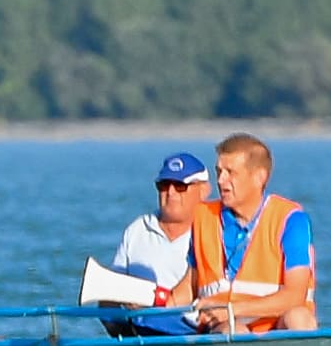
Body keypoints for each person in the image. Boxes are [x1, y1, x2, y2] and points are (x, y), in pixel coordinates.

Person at [166, 132, 315, 333]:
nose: (221, 180)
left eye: (230, 172)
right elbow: (189, 285)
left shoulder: (291, 220)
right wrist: (150, 303)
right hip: (225, 329)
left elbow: (294, 296)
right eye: (219, 172)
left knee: (299, 317)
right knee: (234, 331)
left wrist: (231, 309)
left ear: (259, 177)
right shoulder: (203, 218)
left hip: (277, 325)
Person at [108, 151, 210, 293]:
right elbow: (110, 295)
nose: (171, 192)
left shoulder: (215, 232)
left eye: (180, 185)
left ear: (204, 190)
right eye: (164, 185)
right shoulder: (137, 230)